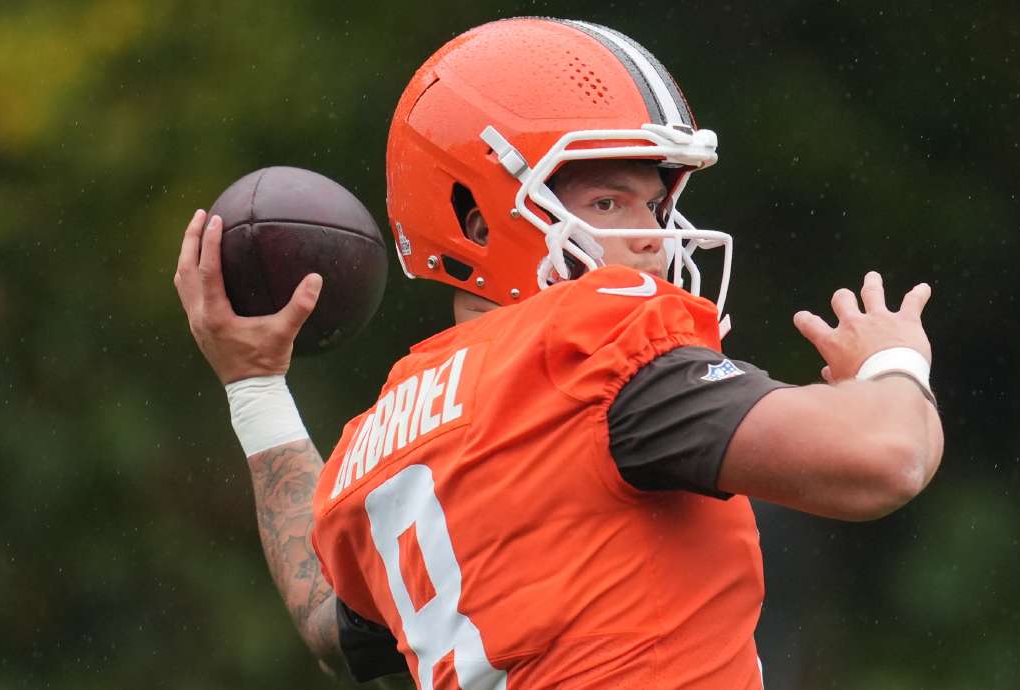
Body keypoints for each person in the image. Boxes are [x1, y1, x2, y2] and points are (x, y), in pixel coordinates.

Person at [174, 17, 943, 690]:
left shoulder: (376, 443)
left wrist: (255, 387)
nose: (649, 233)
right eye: (606, 202)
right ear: (474, 220)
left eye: (655, 204)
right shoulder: (591, 340)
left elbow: (328, 625)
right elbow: (885, 459)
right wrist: (892, 363)